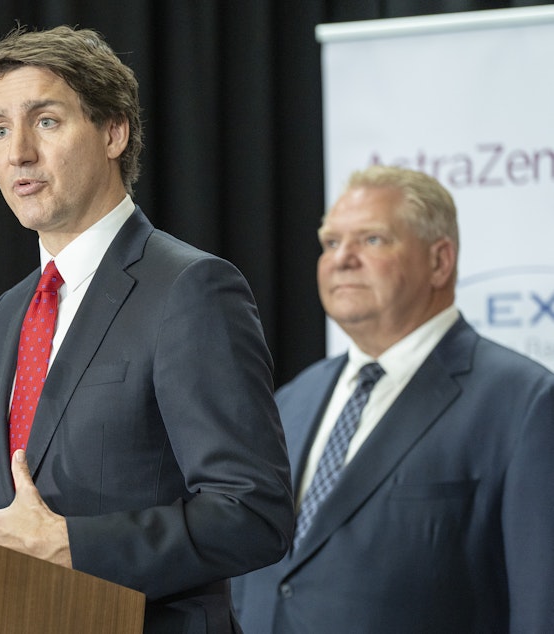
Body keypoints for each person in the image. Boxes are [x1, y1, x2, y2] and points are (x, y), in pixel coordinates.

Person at [0, 25, 294, 633]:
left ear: (114, 132)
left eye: (47, 122)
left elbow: (254, 514)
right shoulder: (12, 311)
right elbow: (13, 508)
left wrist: (76, 547)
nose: (17, 153)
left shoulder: (190, 289)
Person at [231, 165, 554, 633]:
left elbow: (540, 605)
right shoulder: (292, 399)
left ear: (440, 261)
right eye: (331, 243)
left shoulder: (525, 404)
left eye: (373, 240)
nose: (342, 259)